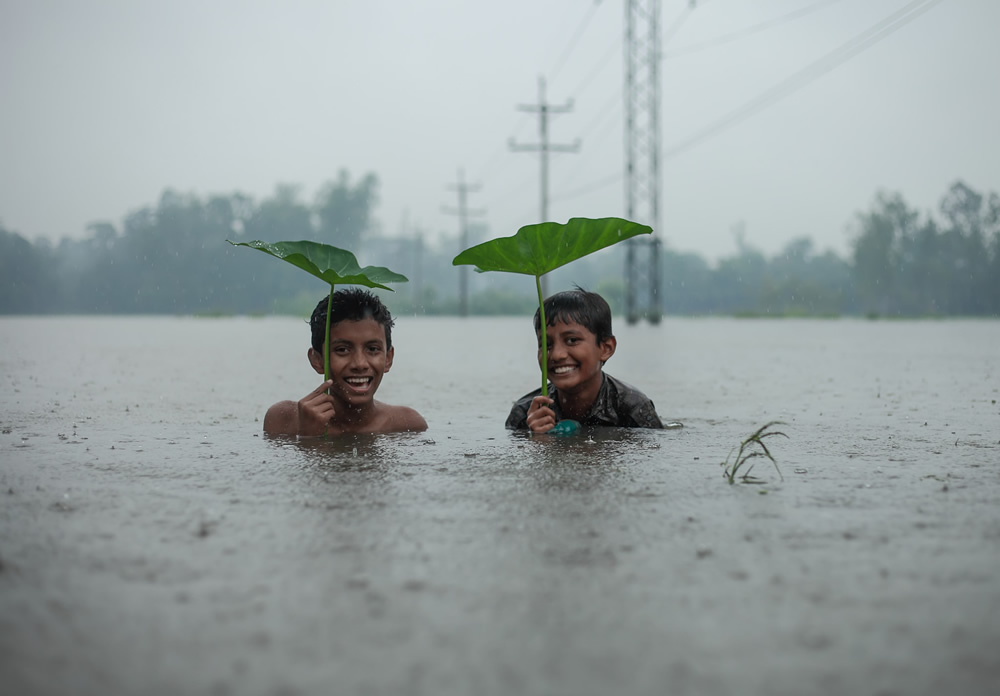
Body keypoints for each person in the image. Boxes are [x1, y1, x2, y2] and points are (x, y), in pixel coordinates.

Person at [263, 288, 427, 437]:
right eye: (342, 350)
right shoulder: (283, 420)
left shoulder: (407, 426)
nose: (360, 364)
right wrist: (308, 437)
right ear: (317, 360)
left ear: (388, 358)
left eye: (372, 349)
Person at [506, 288, 663, 432]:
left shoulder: (632, 408)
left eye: (572, 340)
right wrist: (537, 442)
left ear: (606, 348)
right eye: (546, 344)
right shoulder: (524, 414)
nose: (556, 355)